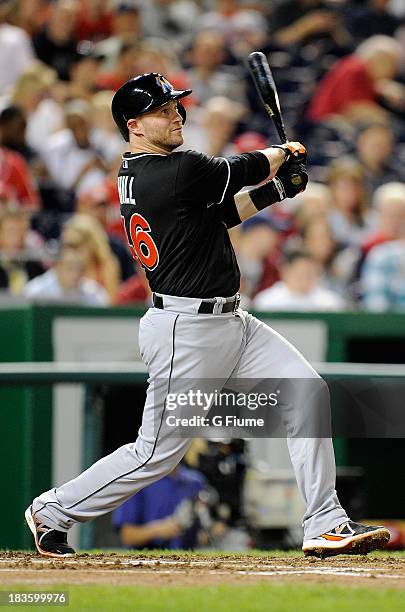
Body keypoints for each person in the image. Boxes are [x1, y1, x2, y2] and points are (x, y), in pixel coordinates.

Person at [25, 72, 390, 559]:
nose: (176, 113)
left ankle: (325, 520)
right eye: (161, 109)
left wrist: (277, 191)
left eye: (175, 104)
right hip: (186, 329)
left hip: (229, 321)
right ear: (133, 125)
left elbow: (217, 216)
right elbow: (232, 170)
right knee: (156, 454)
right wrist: (285, 153)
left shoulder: (155, 172)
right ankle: (54, 509)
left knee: (308, 392)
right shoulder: (167, 171)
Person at [112, 464, 206, 550]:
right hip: (145, 561)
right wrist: (157, 531)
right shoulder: (138, 480)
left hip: (187, 561)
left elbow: (204, 531)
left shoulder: (195, 481)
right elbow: (127, 536)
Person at [253, 248, 345, 312]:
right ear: (285, 271)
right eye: (298, 272)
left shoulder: (330, 303)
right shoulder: (266, 302)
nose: (304, 278)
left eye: (308, 273)